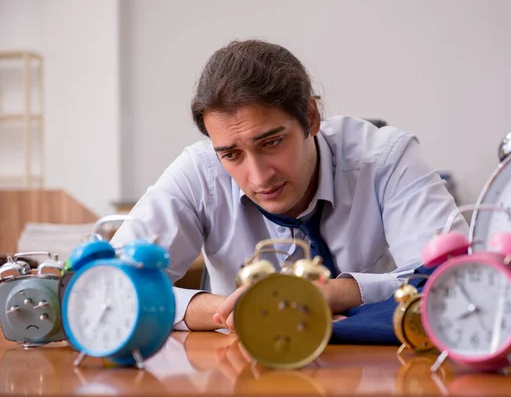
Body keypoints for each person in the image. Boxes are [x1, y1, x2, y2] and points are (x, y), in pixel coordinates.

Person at [111, 39, 468, 335]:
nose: (258, 176)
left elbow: (455, 278)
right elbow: (112, 285)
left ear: (311, 117)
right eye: (232, 154)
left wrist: (336, 293)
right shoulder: (199, 173)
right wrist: (227, 310)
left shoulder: (388, 158)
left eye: (271, 143)